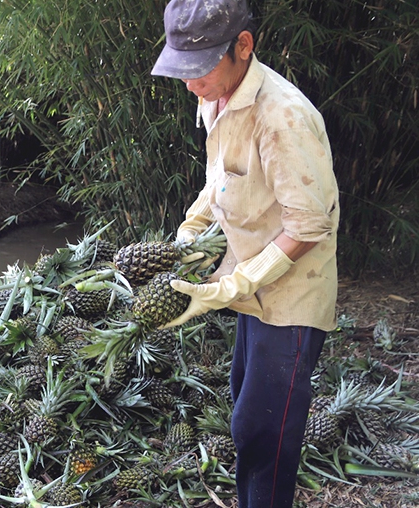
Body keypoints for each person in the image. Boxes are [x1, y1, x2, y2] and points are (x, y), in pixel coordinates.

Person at [152, 1, 339, 507]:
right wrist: (189, 235)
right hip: (251, 286)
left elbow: (308, 226)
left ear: (243, 46)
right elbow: (222, 182)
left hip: (292, 294)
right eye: (182, 70)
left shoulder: (283, 117)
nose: (191, 84)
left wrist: (233, 284)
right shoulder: (217, 94)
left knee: (266, 431)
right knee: (247, 417)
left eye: (200, 69)